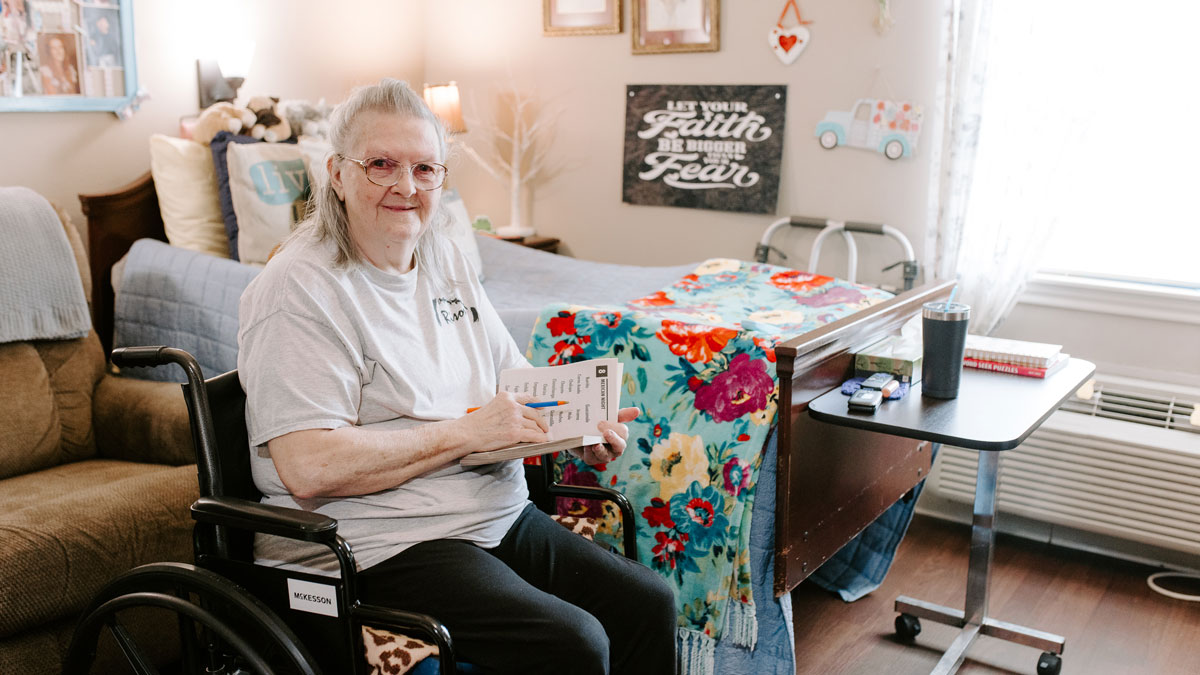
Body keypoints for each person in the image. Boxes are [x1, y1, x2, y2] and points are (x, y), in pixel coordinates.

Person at [237, 78, 677, 674]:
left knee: (649, 603)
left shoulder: (443, 260)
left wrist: (576, 426)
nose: (406, 186)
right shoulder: (299, 289)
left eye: (426, 169)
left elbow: (513, 383)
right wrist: (466, 434)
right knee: (573, 641)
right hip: (381, 543)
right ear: (337, 175)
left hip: (487, 511)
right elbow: (308, 467)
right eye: (382, 165)